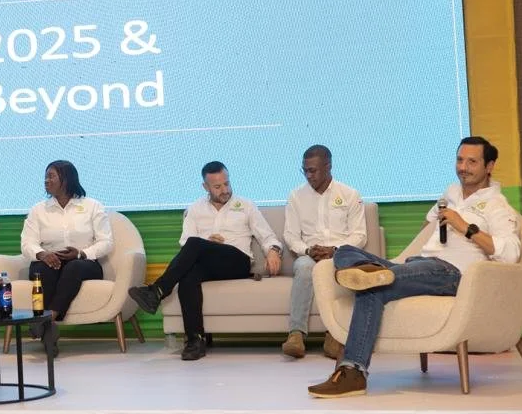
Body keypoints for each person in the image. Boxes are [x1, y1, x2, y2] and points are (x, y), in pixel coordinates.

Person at [308, 136, 521, 398]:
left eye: (472, 162)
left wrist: (465, 227)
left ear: (489, 166)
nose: (463, 167)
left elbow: (510, 253)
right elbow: (427, 225)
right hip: (419, 265)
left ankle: (353, 371)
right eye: (459, 160)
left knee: (373, 286)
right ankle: (368, 272)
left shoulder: (496, 205)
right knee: (344, 252)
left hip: (450, 273)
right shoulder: (451, 193)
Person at [128, 161, 283, 361]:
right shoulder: (195, 209)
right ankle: (195, 341)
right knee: (189, 274)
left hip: (237, 262)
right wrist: (208, 244)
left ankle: (157, 291)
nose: (225, 190)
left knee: (195, 244)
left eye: (227, 183)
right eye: (217, 186)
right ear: (205, 187)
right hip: (209, 263)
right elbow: (185, 243)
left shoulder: (246, 206)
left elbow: (267, 236)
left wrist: (273, 251)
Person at [281, 145, 366, 359]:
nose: (308, 175)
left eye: (313, 170)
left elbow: (360, 235)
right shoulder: (296, 196)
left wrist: (335, 250)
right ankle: (296, 335)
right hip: (310, 254)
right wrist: (308, 249)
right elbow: (290, 235)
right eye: (305, 170)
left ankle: (335, 337)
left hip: (341, 253)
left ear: (328, 166)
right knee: (303, 267)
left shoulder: (349, 194)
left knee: (343, 269)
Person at [20, 160, 112, 357]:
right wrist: (43, 254)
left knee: (74, 267)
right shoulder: (38, 210)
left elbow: (106, 242)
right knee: (41, 269)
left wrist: (81, 253)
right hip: (49, 261)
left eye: (51, 176)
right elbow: (27, 243)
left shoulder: (92, 206)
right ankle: (49, 335)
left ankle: (46, 319)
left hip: (84, 262)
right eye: (45, 177)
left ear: (67, 179)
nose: (46, 180)